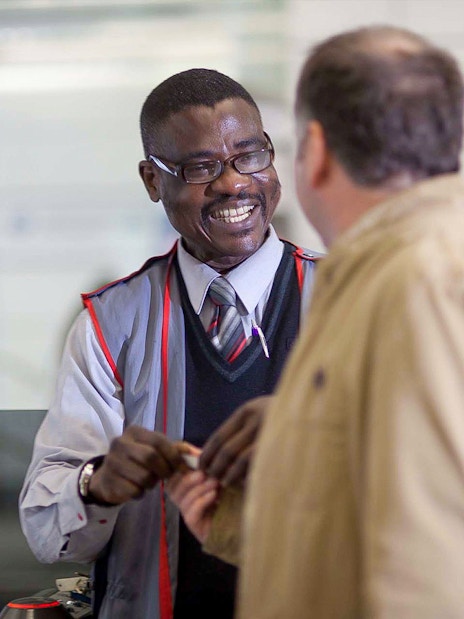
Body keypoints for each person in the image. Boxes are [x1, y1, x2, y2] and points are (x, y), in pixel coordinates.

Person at [167, 26, 464, 618]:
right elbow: (373, 519)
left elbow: (432, 561)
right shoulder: (385, 274)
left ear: (317, 151)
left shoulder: (425, 279)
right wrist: (244, 526)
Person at [19, 68, 320, 619]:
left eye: (250, 155)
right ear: (152, 181)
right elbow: (45, 529)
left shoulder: (346, 302)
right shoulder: (111, 325)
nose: (234, 183)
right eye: (201, 167)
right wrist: (97, 484)